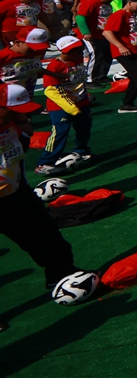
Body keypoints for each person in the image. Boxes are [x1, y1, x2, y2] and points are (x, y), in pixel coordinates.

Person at [0, 83, 93, 303]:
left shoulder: (14, 125)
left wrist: (19, 120)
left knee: (48, 236)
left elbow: (25, 137)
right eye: (13, 110)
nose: (20, 114)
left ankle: (60, 274)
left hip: (16, 193)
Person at [35, 36, 93, 175]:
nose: (79, 52)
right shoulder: (55, 66)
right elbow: (51, 90)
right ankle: (45, 163)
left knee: (84, 128)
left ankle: (81, 151)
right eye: (74, 50)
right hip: (60, 106)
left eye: (79, 48)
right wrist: (71, 107)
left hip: (81, 101)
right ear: (64, 52)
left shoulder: (78, 59)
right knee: (59, 133)